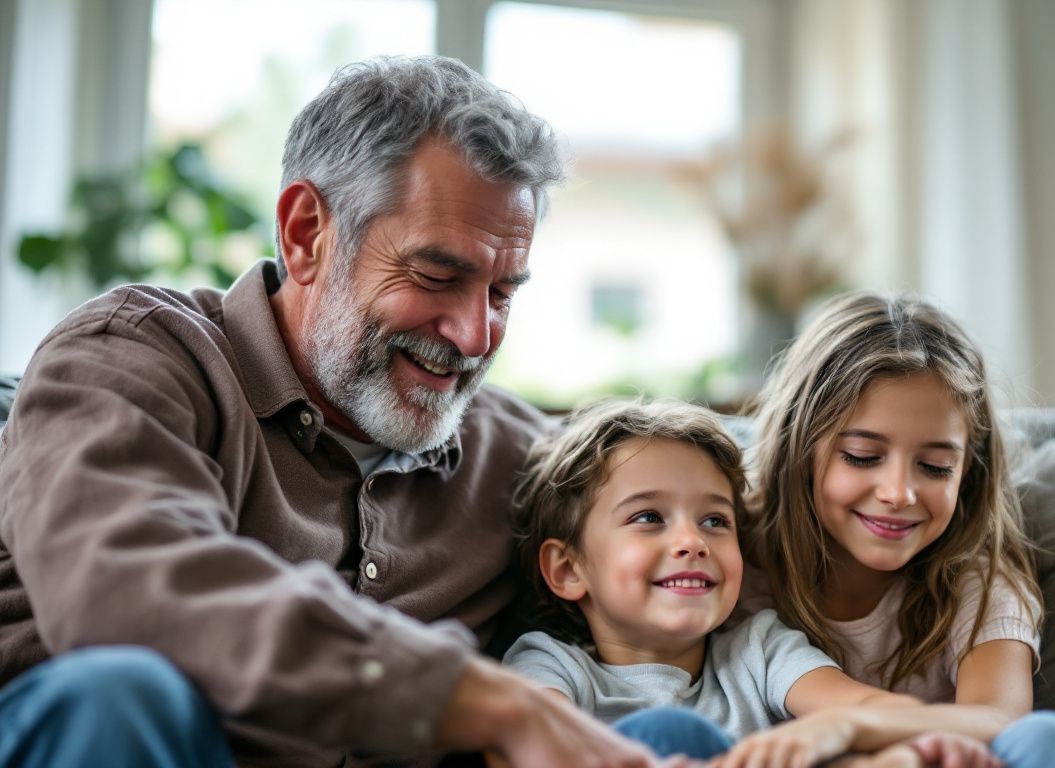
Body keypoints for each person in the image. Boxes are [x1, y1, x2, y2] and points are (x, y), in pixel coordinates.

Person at [0, 56, 672, 768]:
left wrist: (808, 713)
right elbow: (124, 588)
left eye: (502, 295)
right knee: (121, 692)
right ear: (305, 233)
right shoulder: (133, 360)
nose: (475, 336)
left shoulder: (519, 458)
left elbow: (725, 564)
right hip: (110, 736)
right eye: (436, 276)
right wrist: (468, 697)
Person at [742, 290, 1055, 767]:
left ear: (968, 472)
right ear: (797, 447)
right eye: (863, 457)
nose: (899, 492)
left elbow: (1001, 720)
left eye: (935, 466)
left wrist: (852, 722)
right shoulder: (736, 568)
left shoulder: (976, 582)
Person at [504, 398, 1001, 768]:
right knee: (668, 730)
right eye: (649, 517)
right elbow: (524, 746)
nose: (692, 541)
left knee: (1046, 738)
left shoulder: (759, 650)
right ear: (569, 570)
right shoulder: (549, 664)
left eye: (715, 522)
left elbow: (864, 709)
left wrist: (912, 748)